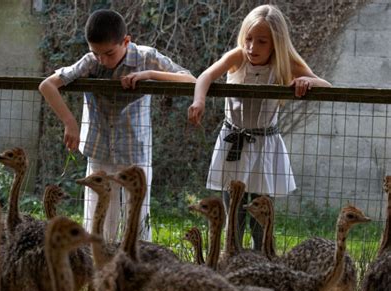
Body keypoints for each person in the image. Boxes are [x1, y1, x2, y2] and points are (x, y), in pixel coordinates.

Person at [39, 9, 195, 242]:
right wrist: (70, 123)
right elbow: (47, 86)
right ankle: (99, 269)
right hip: (100, 151)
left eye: (109, 53)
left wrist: (149, 74)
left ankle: (136, 269)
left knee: (138, 219)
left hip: (136, 153)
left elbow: (191, 79)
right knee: (99, 221)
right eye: (96, 53)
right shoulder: (91, 61)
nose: (102, 60)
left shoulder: (146, 57)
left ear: (126, 41)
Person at [187, 4, 331, 250]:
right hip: (233, 142)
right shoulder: (238, 56)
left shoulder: (284, 63)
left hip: (265, 145)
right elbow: (206, 76)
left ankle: (263, 263)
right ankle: (231, 262)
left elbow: (326, 86)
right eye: (249, 39)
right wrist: (199, 100)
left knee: (261, 218)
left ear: (276, 42)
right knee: (233, 214)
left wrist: (308, 79)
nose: (253, 47)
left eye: (262, 41)